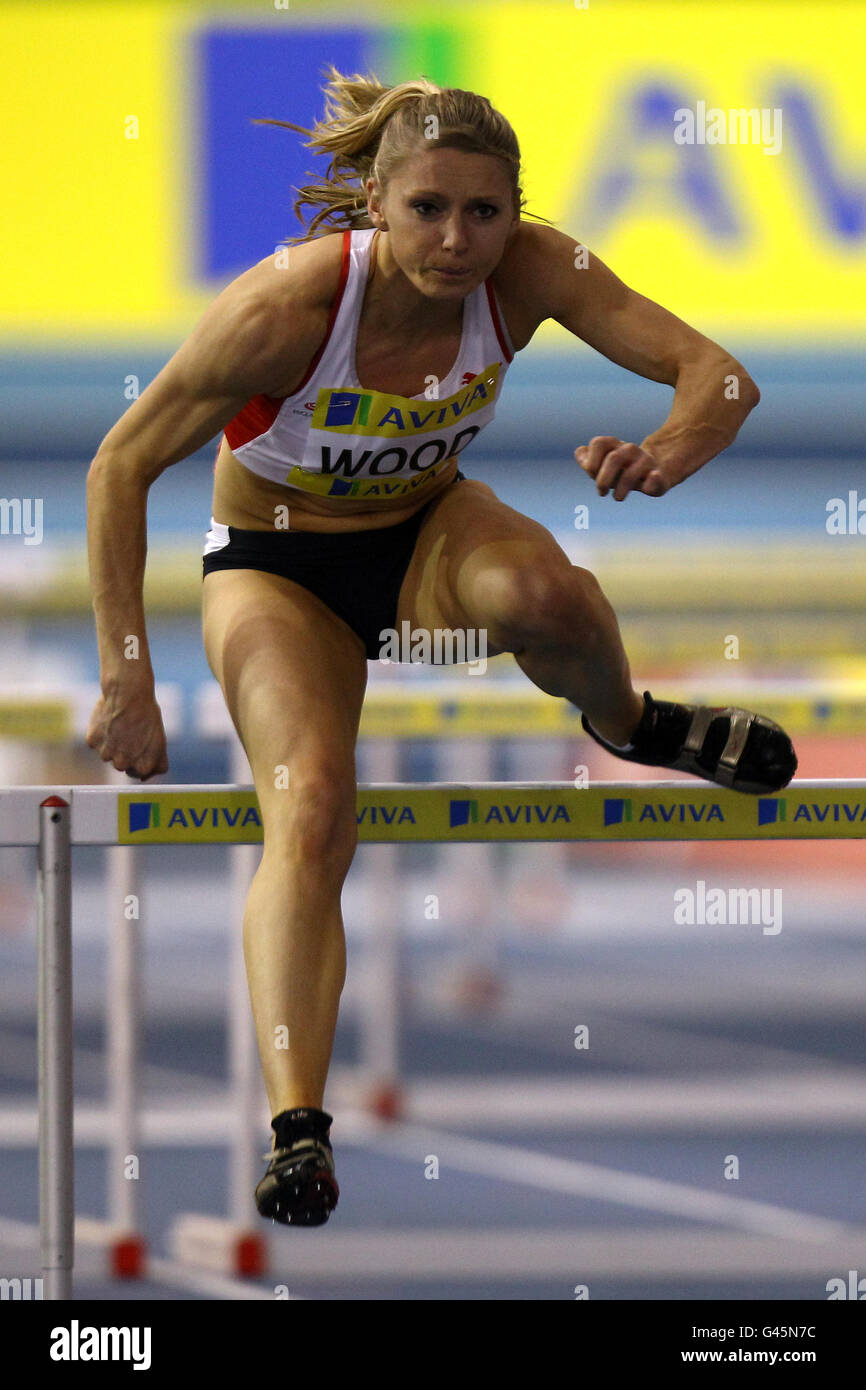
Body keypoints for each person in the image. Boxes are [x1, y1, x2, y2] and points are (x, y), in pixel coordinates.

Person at [85, 65, 796, 1228]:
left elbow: (717, 375)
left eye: (484, 212)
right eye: (428, 211)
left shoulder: (534, 270)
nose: (458, 241)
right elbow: (119, 464)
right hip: (276, 571)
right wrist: (128, 676)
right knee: (310, 802)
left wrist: (669, 449)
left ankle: (637, 724)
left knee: (541, 591)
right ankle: (297, 1129)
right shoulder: (285, 309)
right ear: (376, 204)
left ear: (515, 214)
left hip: (424, 532)